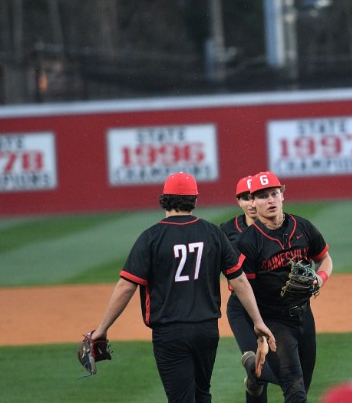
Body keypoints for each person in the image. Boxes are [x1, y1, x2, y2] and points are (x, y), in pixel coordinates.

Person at [88, 172, 276, 403]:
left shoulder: (151, 237)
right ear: (194, 200)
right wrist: (258, 321)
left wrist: (102, 328)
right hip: (207, 329)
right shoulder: (213, 233)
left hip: (170, 332)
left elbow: (126, 286)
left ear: (164, 199)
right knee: (202, 394)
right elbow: (239, 281)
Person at [236, 171, 334, 403]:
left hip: (304, 316)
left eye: (274, 193)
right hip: (274, 322)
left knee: (303, 386)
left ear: (282, 195)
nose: (270, 200)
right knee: (294, 388)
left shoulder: (303, 227)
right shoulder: (248, 241)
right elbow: (244, 289)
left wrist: (320, 279)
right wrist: (258, 328)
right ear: (253, 202)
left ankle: (256, 375)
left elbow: (324, 258)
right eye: (262, 196)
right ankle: (257, 374)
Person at [220, 175, 280, 402]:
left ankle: (254, 383)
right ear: (239, 201)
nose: (251, 203)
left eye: (254, 197)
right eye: (246, 198)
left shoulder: (278, 226)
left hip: (273, 306)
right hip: (243, 307)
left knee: (260, 374)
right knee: (262, 368)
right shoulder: (227, 230)